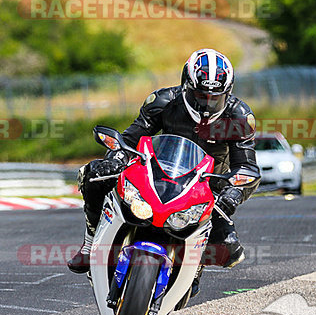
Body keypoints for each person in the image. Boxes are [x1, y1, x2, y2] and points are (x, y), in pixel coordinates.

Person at [67, 48, 261, 293]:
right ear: (186, 85)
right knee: (94, 174)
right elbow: (132, 137)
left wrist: (233, 194)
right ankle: (90, 244)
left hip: (208, 186)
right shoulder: (164, 101)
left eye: (215, 97)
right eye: (200, 95)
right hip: (157, 174)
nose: (207, 104)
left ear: (228, 93)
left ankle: (193, 268)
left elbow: (246, 166)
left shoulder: (239, 117)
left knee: (227, 247)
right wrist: (117, 156)